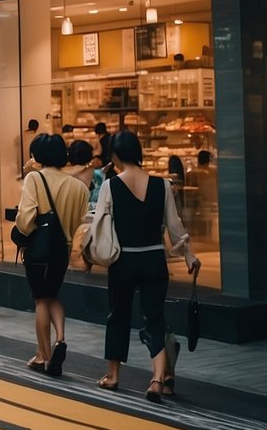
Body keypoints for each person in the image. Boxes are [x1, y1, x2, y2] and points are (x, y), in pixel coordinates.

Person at [93, 131, 200, 401]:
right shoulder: (162, 185)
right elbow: (175, 227)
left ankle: (113, 376)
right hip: (154, 258)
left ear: (115, 156)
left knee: (118, 315)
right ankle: (156, 380)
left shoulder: (111, 185)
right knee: (154, 318)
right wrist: (188, 256)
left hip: (124, 260)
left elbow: (101, 224)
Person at [15, 134, 89, 377]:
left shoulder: (34, 178)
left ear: (38, 155)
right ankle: (60, 339)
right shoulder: (78, 186)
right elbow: (79, 220)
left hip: (39, 249)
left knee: (40, 300)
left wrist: (21, 229)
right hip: (62, 250)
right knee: (52, 295)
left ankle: (44, 358)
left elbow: (26, 220)